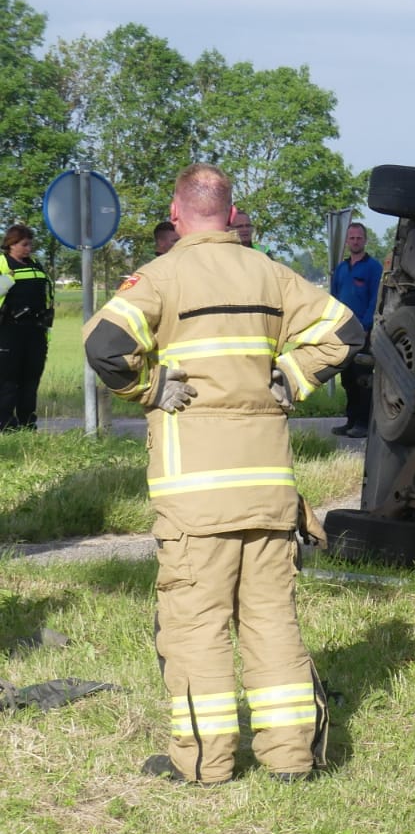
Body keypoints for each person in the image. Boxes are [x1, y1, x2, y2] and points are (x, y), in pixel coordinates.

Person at [83, 164, 363, 786]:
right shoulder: (271, 274)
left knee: (197, 626)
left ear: (177, 214)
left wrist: (151, 386)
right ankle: (290, 758)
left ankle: (205, 764)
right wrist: (292, 376)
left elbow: (104, 346)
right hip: (267, 490)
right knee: (272, 620)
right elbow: (346, 331)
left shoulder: (161, 277)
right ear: (231, 215)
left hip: (195, 496)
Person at [329, 222, 382, 438]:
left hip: (363, 332)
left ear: (365, 240)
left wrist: (366, 326)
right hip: (343, 332)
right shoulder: (341, 269)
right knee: (348, 379)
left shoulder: (373, 268)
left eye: (359, 238)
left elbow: (376, 299)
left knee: (362, 379)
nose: (355, 241)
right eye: (352, 238)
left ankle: (363, 423)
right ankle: (350, 421)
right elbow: (333, 299)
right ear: (347, 241)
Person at [0, 225, 54, 431]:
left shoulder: (36, 265)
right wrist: (7, 280)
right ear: (11, 244)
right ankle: (5, 424)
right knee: (8, 380)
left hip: (36, 330)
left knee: (31, 379)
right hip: (8, 330)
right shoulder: (3, 264)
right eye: (24, 244)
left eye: (30, 244)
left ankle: (27, 423)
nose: (28, 249)